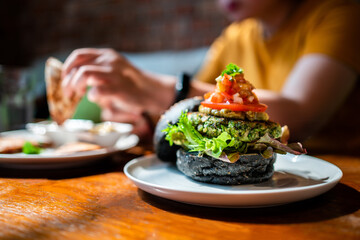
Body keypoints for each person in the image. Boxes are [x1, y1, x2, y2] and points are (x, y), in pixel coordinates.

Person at [61, 0, 360, 142]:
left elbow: (300, 115)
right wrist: (141, 115)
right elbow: (194, 113)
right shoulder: (236, 36)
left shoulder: (340, 13)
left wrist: (152, 87)